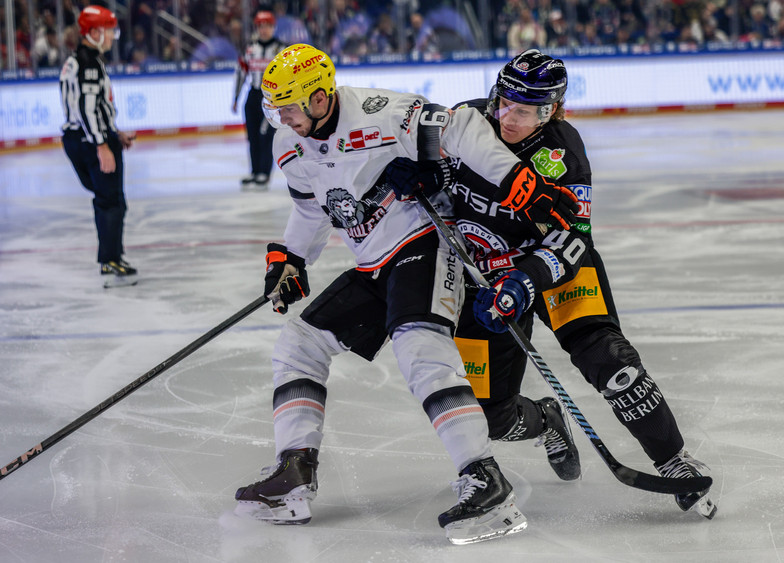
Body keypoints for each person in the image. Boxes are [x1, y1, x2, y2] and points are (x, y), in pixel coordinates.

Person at [232, 43, 578, 545]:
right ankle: (295, 473)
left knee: (421, 350)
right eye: (276, 108)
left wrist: (519, 184)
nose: (280, 117)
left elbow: (458, 127)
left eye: (288, 106)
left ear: (319, 97)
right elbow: (312, 211)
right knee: (298, 345)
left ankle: (485, 480)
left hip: (424, 243)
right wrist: (291, 258)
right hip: (373, 260)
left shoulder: (379, 111)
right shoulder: (289, 143)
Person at [387, 49, 717, 518]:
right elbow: (442, 188)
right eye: (504, 103)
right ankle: (546, 419)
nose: (508, 117)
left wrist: (528, 279)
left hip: (554, 267)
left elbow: (574, 237)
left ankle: (674, 461)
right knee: (487, 415)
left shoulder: (562, 153)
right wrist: (417, 178)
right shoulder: (466, 121)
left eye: (525, 111)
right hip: (486, 276)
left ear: (553, 110)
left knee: (610, 361)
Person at [59, 5, 137, 287]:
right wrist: (102, 144)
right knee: (111, 201)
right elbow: (87, 108)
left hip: (85, 137)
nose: (112, 36)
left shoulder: (80, 60)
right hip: (89, 140)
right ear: (92, 32)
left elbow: (93, 108)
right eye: (108, 30)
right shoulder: (89, 64)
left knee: (109, 199)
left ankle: (111, 256)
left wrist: (114, 134)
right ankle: (110, 260)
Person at [232, 10, 285, 190]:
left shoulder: (281, 49)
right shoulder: (249, 48)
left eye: (267, 26)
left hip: (272, 98)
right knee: (252, 135)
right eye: (260, 26)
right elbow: (240, 74)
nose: (264, 30)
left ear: (273, 27)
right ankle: (255, 172)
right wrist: (236, 98)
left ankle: (264, 173)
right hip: (252, 95)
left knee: (266, 135)